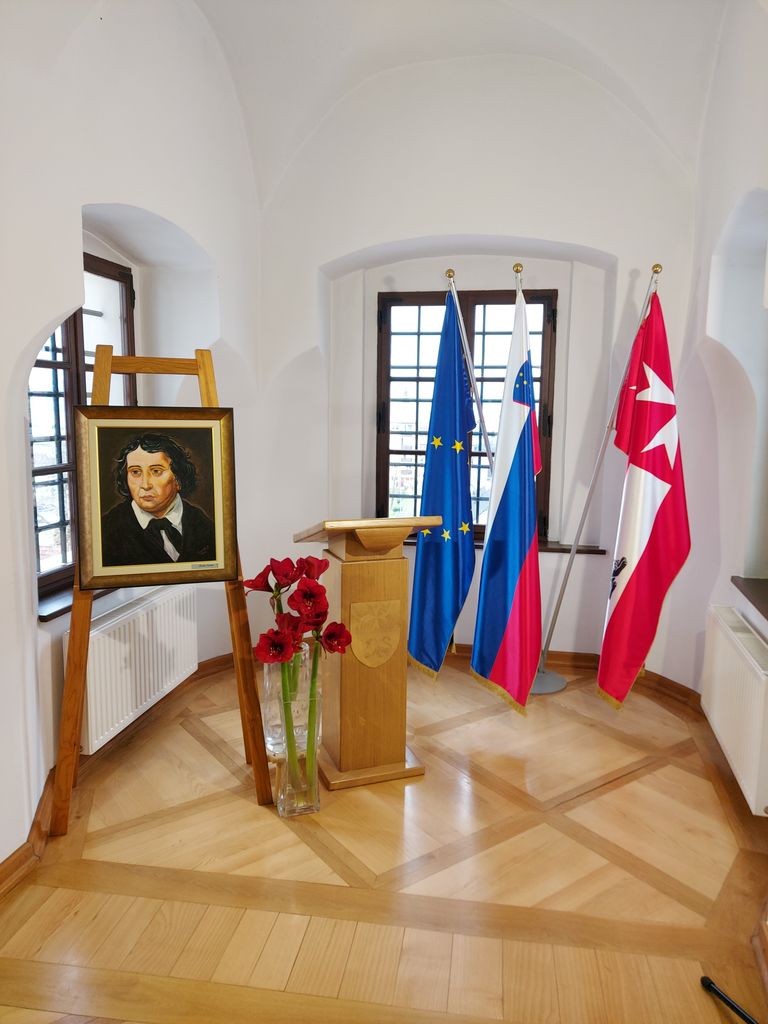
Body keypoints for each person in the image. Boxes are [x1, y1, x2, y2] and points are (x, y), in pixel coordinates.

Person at [100, 432, 216, 567]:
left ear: (178, 479)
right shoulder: (107, 531)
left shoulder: (204, 525)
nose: (145, 485)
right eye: (135, 472)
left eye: (156, 471)